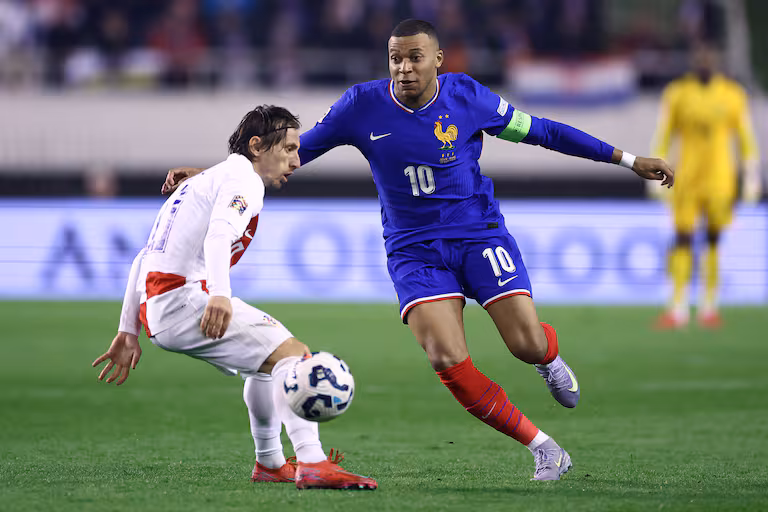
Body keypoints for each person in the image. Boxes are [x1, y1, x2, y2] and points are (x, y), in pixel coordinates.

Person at [164, 20, 673, 481]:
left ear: (438, 60)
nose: (404, 68)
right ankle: (544, 448)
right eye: (395, 58)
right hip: (413, 251)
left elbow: (543, 132)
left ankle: (548, 356)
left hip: (479, 235)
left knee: (525, 344)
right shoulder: (360, 106)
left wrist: (628, 160)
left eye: (414, 57)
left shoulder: (468, 97)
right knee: (447, 357)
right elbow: (291, 153)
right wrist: (214, 176)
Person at [93, 105, 377, 491]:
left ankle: (271, 463)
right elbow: (219, 234)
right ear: (257, 146)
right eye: (289, 149)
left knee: (264, 365)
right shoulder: (244, 182)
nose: (297, 161)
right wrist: (219, 295)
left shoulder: (206, 181)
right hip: (184, 299)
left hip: (161, 305)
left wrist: (128, 329)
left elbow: (144, 256)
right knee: (293, 355)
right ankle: (312, 462)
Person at [649, 43, 761, 329]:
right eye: (700, 58)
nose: (704, 62)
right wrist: (655, 170)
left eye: (708, 58)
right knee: (682, 239)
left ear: (717, 62)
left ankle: (709, 307)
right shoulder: (678, 93)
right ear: (693, 62)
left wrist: (752, 173)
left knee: (713, 240)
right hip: (685, 179)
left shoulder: (733, 94)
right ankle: (678, 308)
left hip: (720, 179)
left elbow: (745, 137)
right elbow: (664, 132)